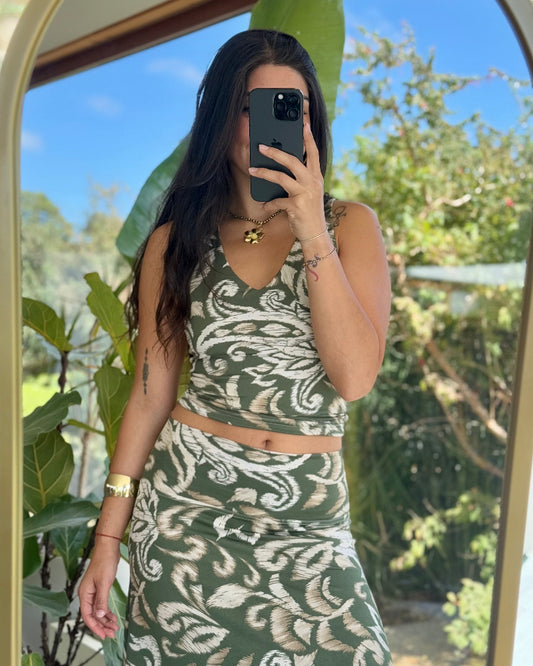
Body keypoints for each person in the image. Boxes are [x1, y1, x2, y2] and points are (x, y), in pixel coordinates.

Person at [78, 29, 392, 666]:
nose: (271, 127)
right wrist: (108, 537)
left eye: (291, 108)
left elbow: (355, 377)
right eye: (254, 108)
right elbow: (149, 397)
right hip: (187, 516)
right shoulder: (175, 243)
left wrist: (310, 228)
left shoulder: (348, 226)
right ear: (223, 119)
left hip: (309, 526)